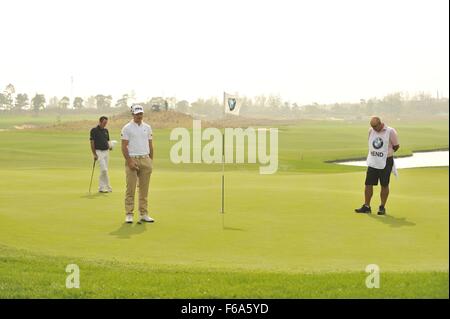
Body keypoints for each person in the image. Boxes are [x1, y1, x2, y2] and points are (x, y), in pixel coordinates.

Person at [355, 116, 400, 215]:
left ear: (380, 123)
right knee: (368, 184)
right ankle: (367, 206)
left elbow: (396, 146)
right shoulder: (371, 131)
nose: (374, 129)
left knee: (384, 184)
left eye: (375, 126)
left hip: (386, 161)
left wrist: (385, 153)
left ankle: (382, 207)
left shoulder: (390, 131)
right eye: (372, 126)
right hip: (373, 161)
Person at [121, 105, 155, 223]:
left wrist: (150, 160)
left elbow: (150, 144)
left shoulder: (147, 127)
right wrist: (129, 161)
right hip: (133, 159)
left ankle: (143, 213)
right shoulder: (127, 128)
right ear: (133, 114)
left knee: (144, 190)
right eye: (137, 114)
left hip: (145, 159)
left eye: (141, 114)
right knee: (130, 188)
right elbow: (124, 146)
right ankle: (129, 214)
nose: (139, 116)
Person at [90, 116, 112, 193]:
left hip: (106, 152)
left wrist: (110, 146)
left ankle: (103, 187)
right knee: (104, 169)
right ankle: (106, 187)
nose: (105, 124)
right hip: (98, 152)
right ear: (100, 121)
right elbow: (92, 143)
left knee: (104, 170)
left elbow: (108, 140)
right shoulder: (94, 130)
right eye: (104, 123)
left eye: (106, 123)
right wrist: (94, 154)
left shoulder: (106, 130)